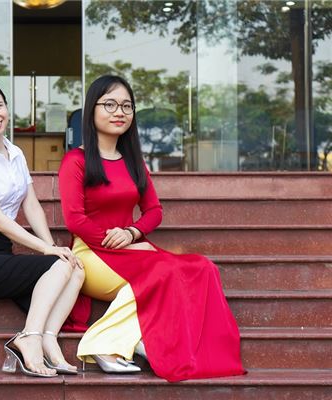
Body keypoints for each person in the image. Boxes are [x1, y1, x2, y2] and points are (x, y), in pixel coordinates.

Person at [58, 75, 245, 382]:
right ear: (92, 110)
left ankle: (143, 339)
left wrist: (132, 234)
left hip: (130, 248)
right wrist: (120, 243)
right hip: (91, 253)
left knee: (202, 268)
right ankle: (103, 344)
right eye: (110, 104)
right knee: (164, 273)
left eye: (126, 106)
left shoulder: (133, 162)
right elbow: (74, 220)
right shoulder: (75, 161)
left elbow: (154, 211)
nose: (119, 112)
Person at [0, 80, 85, 378]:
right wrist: (46, 249)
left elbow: (32, 205)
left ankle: (48, 339)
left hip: (1, 252)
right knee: (58, 264)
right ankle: (29, 337)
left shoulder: (15, 152)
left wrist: (53, 248)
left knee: (75, 268)